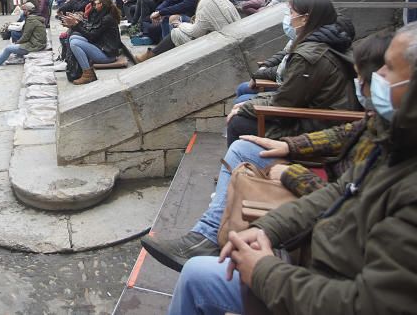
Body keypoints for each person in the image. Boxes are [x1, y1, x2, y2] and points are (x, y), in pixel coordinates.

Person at [167, 11, 417, 315]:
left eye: (388, 69)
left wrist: (264, 272)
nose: (375, 79)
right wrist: (270, 227)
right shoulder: (416, 144)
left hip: (324, 286)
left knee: (198, 276)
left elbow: (366, 306)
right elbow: (345, 188)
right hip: (324, 261)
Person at [142, 32, 390, 272]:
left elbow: (346, 199)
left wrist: (288, 172)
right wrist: (289, 146)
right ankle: (206, 234)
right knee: (244, 147)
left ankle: (212, 230)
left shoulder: (396, 147)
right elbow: (343, 133)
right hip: (322, 156)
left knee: (241, 123)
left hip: (326, 195)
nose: (359, 84)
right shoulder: (379, 120)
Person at [225, 0, 354, 144]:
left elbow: (284, 103)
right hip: (319, 116)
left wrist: (246, 107)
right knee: (244, 103)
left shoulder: (308, 55)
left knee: (237, 123)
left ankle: (248, 164)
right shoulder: (325, 43)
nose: (289, 17)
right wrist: (250, 104)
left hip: (318, 128)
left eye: (292, 12)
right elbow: (289, 94)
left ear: (305, 18)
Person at [138, 0, 240, 62]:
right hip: (221, 39)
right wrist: (161, 12)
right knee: (172, 21)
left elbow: (196, 32)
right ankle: (156, 54)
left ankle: (153, 55)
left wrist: (181, 25)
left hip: (218, 45)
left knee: (176, 33)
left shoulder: (208, 0)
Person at [63, 0, 123, 84]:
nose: (95, 4)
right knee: (73, 37)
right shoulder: (102, 15)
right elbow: (91, 31)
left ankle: (87, 74)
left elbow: (91, 36)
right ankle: (77, 66)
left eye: (96, 3)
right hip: (101, 47)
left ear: (101, 5)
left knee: (75, 43)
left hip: (107, 55)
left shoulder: (107, 19)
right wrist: (77, 22)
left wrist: (76, 24)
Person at [0, 2, 46, 72]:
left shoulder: (31, 20)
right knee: (8, 47)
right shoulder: (35, 18)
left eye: (24, 10)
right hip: (36, 43)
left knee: (8, 48)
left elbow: (26, 36)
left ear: (28, 11)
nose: (23, 12)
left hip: (34, 45)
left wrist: (18, 42)